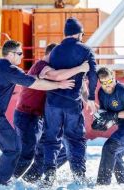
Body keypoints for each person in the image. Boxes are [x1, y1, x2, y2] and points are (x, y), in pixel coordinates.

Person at [0, 40, 75, 187]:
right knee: (14, 149)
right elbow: (34, 83)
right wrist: (59, 84)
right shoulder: (8, 68)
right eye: (20, 53)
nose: (22, 56)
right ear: (11, 54)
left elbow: (29, 79)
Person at [13, 43, 89, 182]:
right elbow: (56, 76)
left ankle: (32, 178)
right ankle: (9, 180)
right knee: (27, 154)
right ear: (51, 55)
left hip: (41, 116)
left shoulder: (57, 67)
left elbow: (81, 86)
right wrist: (79, 68)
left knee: (52, 151)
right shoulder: (41, 65)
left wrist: (88, 99)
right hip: (27, 115)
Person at [42, 17, 98, 186]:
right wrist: (92, 98)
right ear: (79, 33)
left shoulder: (55, 51)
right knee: (75, 139)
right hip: (72, 103)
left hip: (52, 101)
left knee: (51, 139)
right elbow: (93, 75)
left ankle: (49, 176)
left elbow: (48, 73)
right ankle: (79, 176)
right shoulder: (86, 50)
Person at [91, 67, 124, 185]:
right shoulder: (101, 93)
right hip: (123, 128)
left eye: (110, 81)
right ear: (100, 82)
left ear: (113, 77)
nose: (108, 85)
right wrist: (102, 124)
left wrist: (114, 115)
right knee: (114, 156)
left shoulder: (123, 91)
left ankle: (102, 184)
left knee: (109, 148)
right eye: (104, 83)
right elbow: (107, 115)